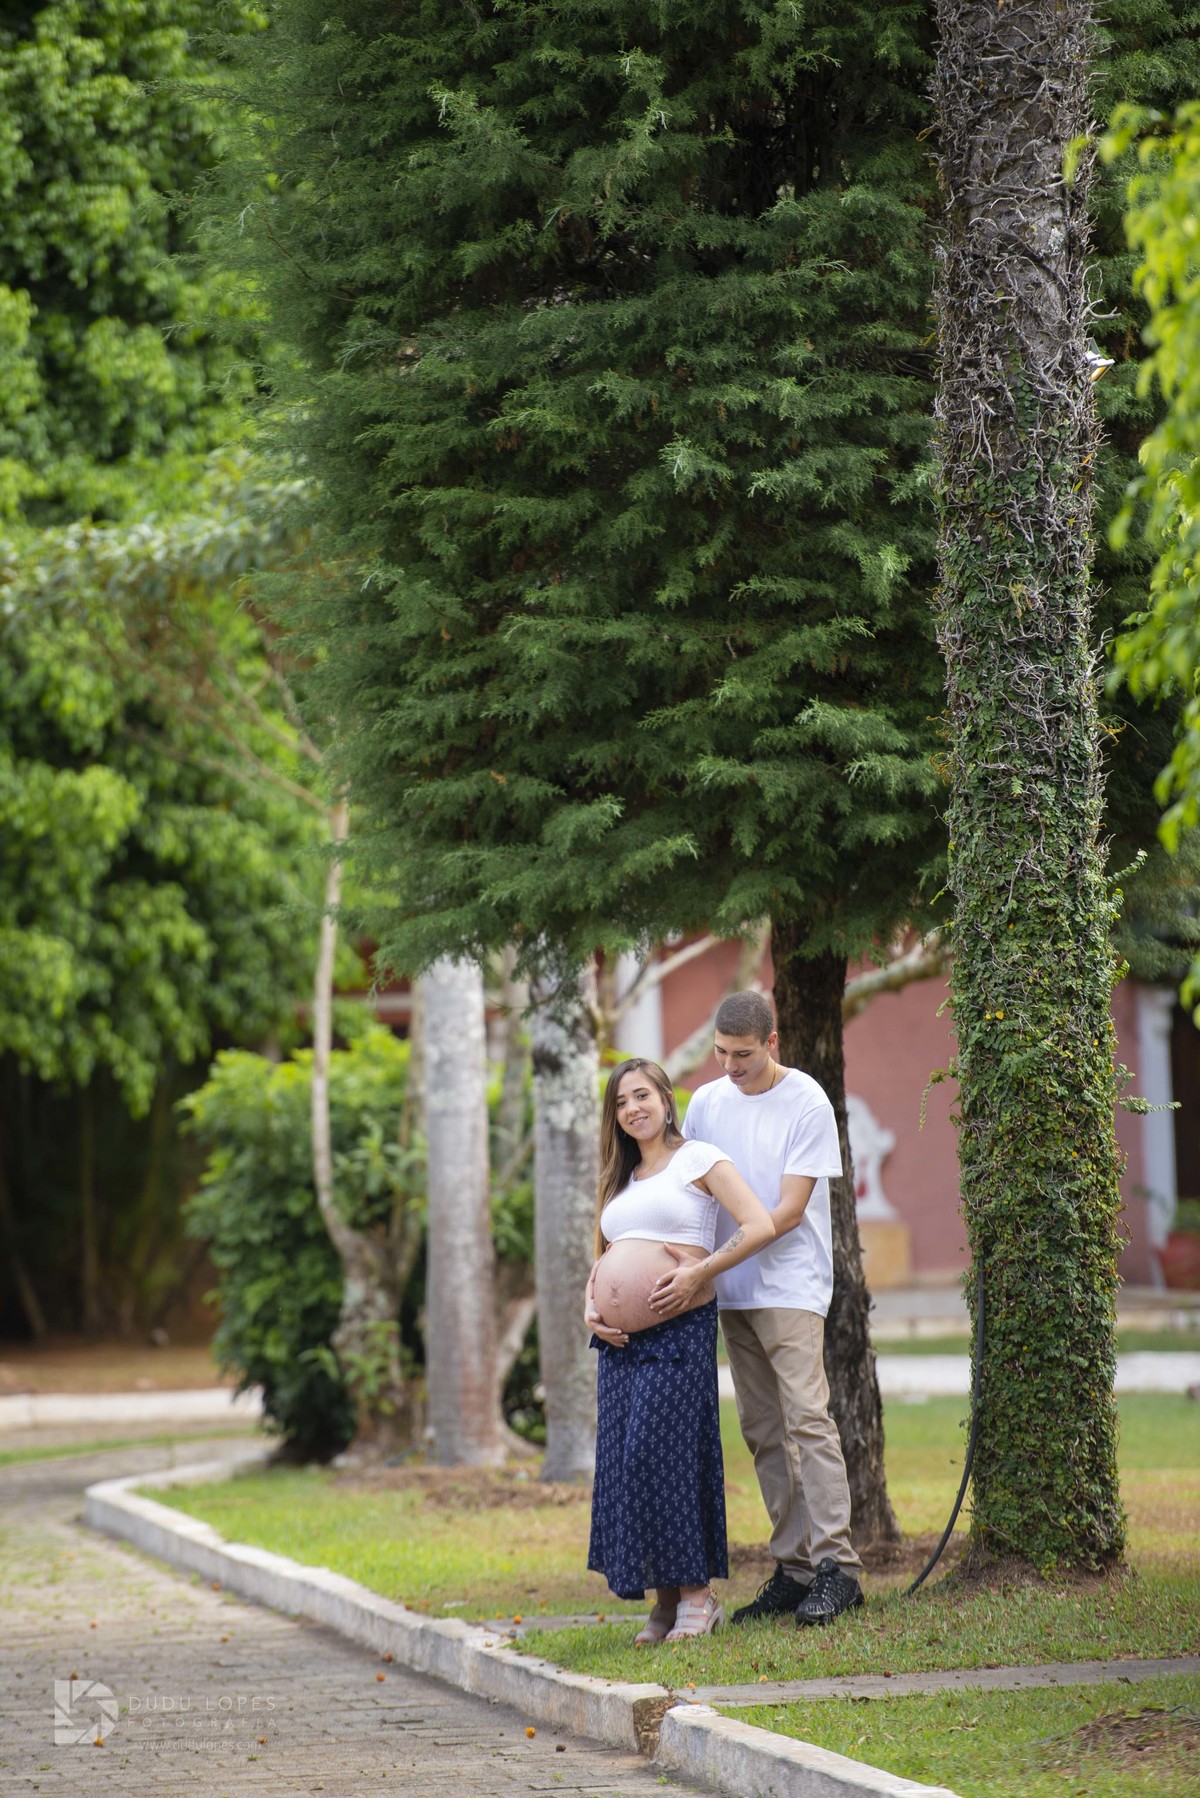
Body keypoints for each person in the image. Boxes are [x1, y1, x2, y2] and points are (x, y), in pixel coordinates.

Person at [681, 990, 865, 1626]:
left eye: (744, 1055)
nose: (731, 1066)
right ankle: (793, 1569)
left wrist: (707, 1267)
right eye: (721, 1053)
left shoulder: (806, 1100)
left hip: (790, 1285)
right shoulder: (706, 1103)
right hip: (732, 1290)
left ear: (772, 1043)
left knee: (808, 1420)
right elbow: (692, 1195)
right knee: (762, 1431)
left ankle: (838, 1568)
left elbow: (786, 1213)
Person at [584, 1057, 775, 1644]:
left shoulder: (698, 1159)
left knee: (661, 1454)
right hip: (619, 1343)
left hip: (679, 1330)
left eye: (642, 1095)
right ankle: (665, 1603)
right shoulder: (620, 1177)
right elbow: (606, 1253)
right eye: (621, 1102)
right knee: (627, 1460)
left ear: (667, 1100)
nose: (632, 1109)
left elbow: (758, 1224)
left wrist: (700, 1272)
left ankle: (697, 1596)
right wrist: (591, 1303)